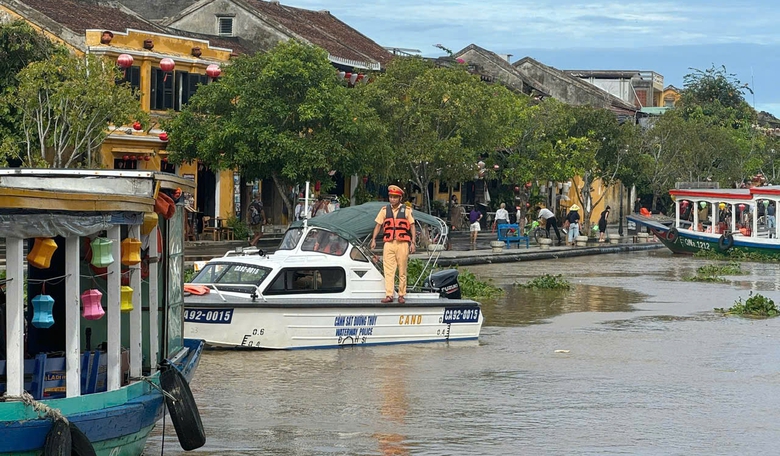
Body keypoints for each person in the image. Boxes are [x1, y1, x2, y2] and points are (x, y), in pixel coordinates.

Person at [370, 185, 416, 303]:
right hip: (389, 243)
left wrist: (413, 242)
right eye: (391, 197)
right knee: (388, 270)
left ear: (400, 198)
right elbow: (378, 225)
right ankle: (389, 294)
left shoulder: (406, 210)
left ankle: (401, 294)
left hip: (402, 243)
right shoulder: (384, 210)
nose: (392, 199)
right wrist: (374, 239)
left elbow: (412, 226)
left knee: (402, 269)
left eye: (395, 197)